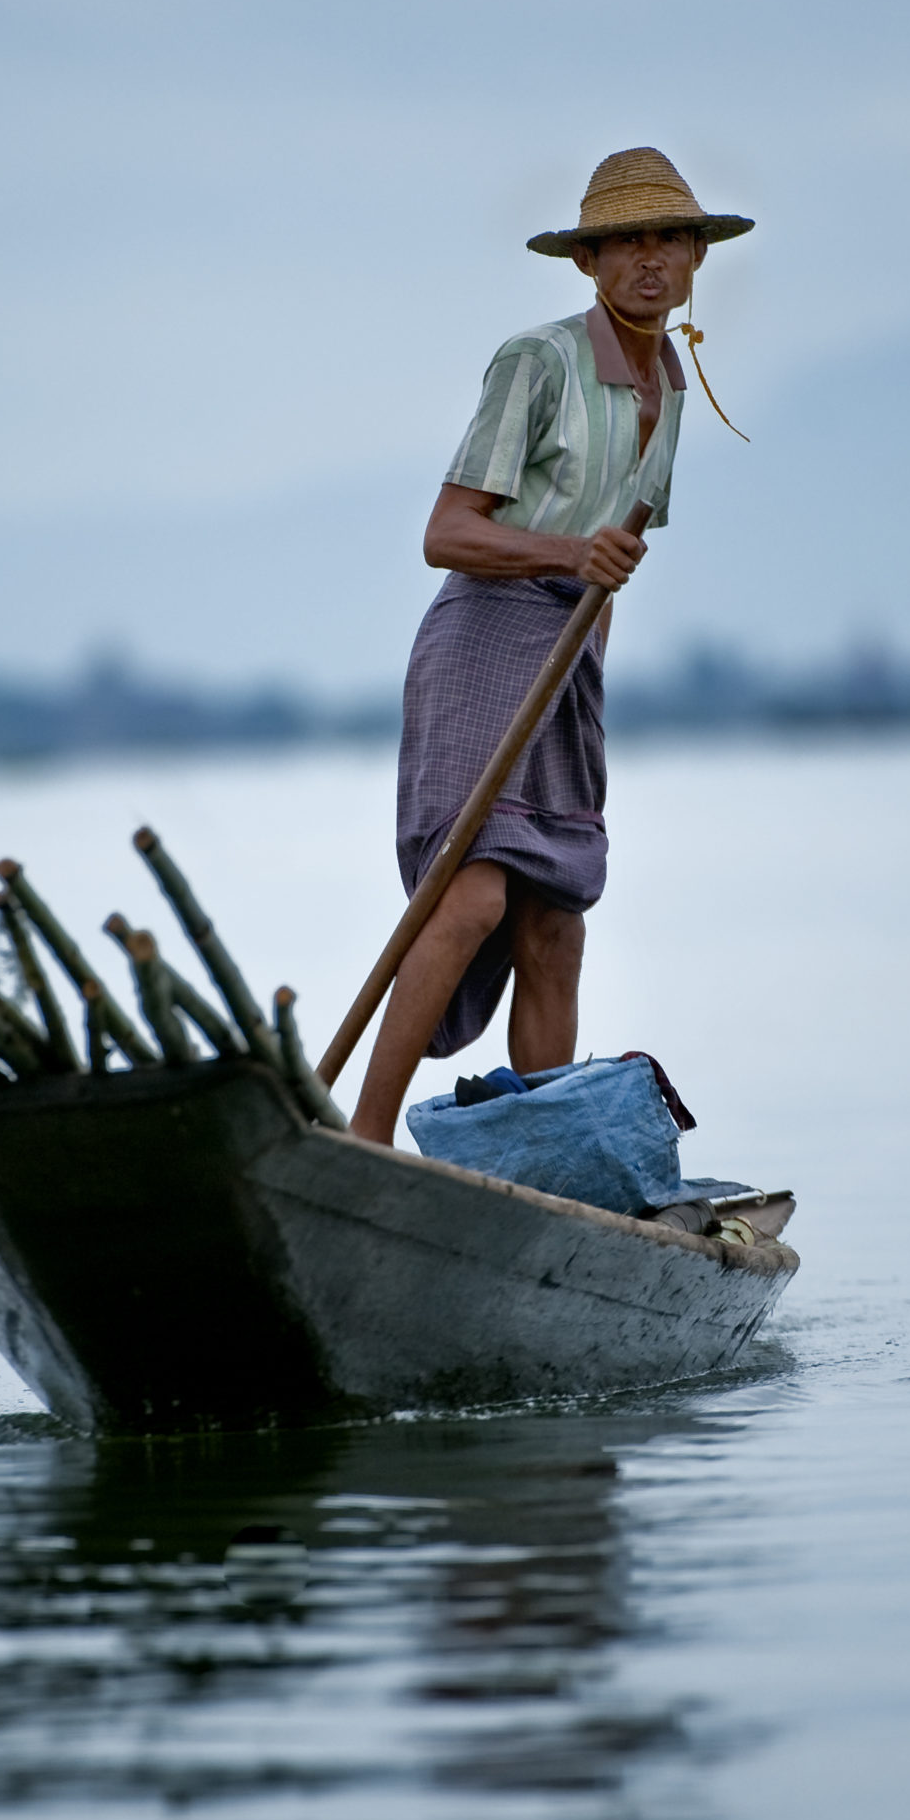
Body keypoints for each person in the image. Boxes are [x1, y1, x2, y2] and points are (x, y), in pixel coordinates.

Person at [348, 146, 754, 1145]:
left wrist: (587, 665)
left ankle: (541, 1160)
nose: (649, 260)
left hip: (571, 654)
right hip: (485, 633)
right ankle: (360, 1141)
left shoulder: (670, 381)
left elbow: (612, 565)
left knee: (556, 919)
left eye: (670, 239)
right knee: (476, 891)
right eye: (625, 243)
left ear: (698, 258)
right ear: (588, 263)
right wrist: (572, 551)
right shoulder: (538, 362)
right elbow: (446, 532)